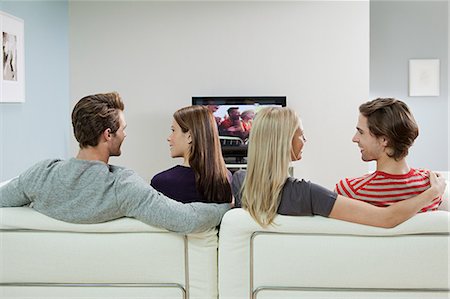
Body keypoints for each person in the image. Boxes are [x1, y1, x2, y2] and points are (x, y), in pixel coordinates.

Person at [0, 92, 230, 234]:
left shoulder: (41, 175)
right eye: (123, 129)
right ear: (108, 134)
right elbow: (186, 219)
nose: (125, 135)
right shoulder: (124, 187)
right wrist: (226, 209)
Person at [232, 107, 445, 228]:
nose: (305, 139)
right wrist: (432, 193)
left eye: (360, 132)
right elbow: (385, 218)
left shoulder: (240, 181)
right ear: (284, 141)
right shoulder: (307, 194)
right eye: (301, 134)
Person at [335, 98, 442, 212]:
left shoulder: (350, 191)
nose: (355, 139)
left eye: (361, 132)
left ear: (384, 139)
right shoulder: (431, 185)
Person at [151, 105, 232, 204]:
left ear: (190, 137)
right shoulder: (226, 177)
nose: (169, 138)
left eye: (173, 130)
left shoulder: (162, 182)